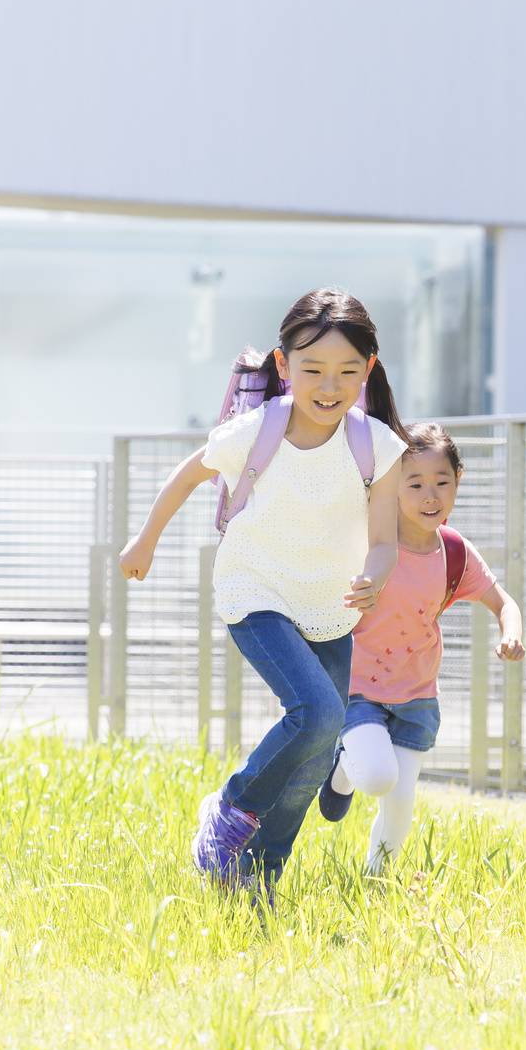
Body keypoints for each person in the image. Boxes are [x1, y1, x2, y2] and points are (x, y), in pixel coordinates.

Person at [120, 289, 408, 896]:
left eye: (347, 372)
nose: (329, 386)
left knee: (318, 742)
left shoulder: (375, 445)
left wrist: (376, 574)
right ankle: (231, 809)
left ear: (369, 370)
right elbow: (188, 473)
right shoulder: (256, 431)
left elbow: (384, 538)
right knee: (320, 713)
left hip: (331, 605)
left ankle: (260, 872)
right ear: (283, 366)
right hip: (255, 590)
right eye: (312, 370)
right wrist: (145, 540)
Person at [316, 422, 525, 872]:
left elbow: (502, 602)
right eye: (414, 484)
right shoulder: (368, 542)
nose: (431, 496)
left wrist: (511, 632)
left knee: (401, 799)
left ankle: (377, 880)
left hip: (416, 697)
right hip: (357, 689)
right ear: (392, 486)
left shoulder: (454, 552)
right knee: (377, 777)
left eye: (441, 482)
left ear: (458, 481)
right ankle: (344, 768)